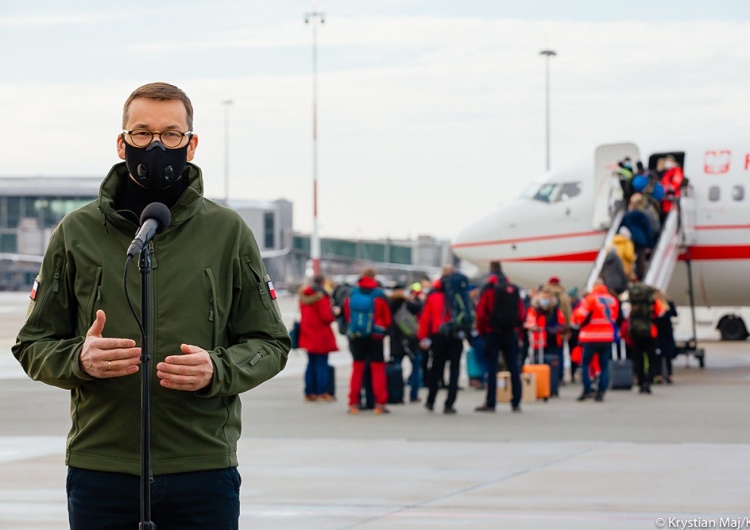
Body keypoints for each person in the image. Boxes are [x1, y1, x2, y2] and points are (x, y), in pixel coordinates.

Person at [12, 82, 291, 529]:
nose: (157, 145)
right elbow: (32, 344)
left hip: (201, 470)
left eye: (171, 134)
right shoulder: (76, 231)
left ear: (191, 143)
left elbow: (270, 342)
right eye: (142, 133)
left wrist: (218, 369)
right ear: (121, 143)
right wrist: (78, 358)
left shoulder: (228, 231)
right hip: (102, 470)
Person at [474, 268, 525, 413]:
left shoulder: (489, 292)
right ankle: (516, 402)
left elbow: (481, 314)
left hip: (492, 333)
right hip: (510, 333)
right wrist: (518, 333)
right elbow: (521, 314)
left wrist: (482, 332)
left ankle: (491, 401)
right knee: (514, 367)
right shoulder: (513, 292)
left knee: (492, 369)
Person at [418, 267, 466, 414]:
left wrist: (422, 337)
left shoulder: (433, 296)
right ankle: (449, 403)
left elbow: (426, 318)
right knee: (454, 370)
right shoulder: (460, 295)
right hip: (456, 335)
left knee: (436, 368)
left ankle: (431, 400)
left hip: (438, 335)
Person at [344, 268, 392, 415]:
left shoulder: (352, 294)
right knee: (378, 370)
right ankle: (379, 404)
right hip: (375, 337)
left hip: (357, 336)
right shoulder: (380, 296)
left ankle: (354, 403)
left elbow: (347, 316)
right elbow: (387, 319)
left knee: (357, 370)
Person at [571, 278, 620, 402]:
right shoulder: (613, 300)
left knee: (585, 364)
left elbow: (580, 315)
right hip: (607, 337)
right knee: (604, 365)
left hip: (590, 337)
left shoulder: (591, 299)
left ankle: (587, 389)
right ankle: (601, 391)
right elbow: (615, 318)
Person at [298, 274, 338, 402]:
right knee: (322, 364)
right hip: (320, 335)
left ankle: (309, 392)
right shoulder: (321, 297)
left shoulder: (304, 296)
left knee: (311, 364)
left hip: (307, 333)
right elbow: (326, 317)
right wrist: (335, 314)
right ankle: (322, 392)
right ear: (322, 283)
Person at [626, 282, 667, 394]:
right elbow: (662, 315)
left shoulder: (633, 303)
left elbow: (626, 315)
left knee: (638, 359)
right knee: (651, 359)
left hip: (635, 333)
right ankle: (647, 382)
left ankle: (640, 381)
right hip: (650, 333)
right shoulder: (653, 303)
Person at [523, 290, 566, 397]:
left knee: (554, 367)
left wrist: (554, 329)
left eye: (547, 298)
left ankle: (553, 388)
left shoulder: (556, 311)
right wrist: (535, 328)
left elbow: (562, 323)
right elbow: (529, 322)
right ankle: (541, 387)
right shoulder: (534, 311)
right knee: (539, 364)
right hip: (539, 344)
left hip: (553, 342)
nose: (545, 301)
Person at [388, 282, 424, 403]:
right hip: (410, 340)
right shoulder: (408, 304)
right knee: (416, 366)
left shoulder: (389, 304)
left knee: (397, 367)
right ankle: (414, 395)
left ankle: (397, 394)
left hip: (395, 340)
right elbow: (420, 308)